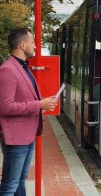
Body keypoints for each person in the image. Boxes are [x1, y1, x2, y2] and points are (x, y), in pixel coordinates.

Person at [0, 28, 58, 195]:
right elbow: (5, 106)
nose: (36, 47)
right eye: (33, 42)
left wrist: (42, 104)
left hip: (27, 134)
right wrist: (39, 105)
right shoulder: (8, 70)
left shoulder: (23, 67)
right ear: (22, 44)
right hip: (16, 137)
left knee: (20, 180)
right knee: (10, 185)